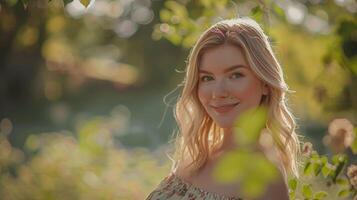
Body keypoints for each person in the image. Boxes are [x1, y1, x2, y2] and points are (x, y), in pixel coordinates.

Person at [145, 17, 301, 200]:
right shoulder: (197, 153)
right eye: (207, 78)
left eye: (235, 75)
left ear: (265, 83)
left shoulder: (265, 178)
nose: (218, 92)